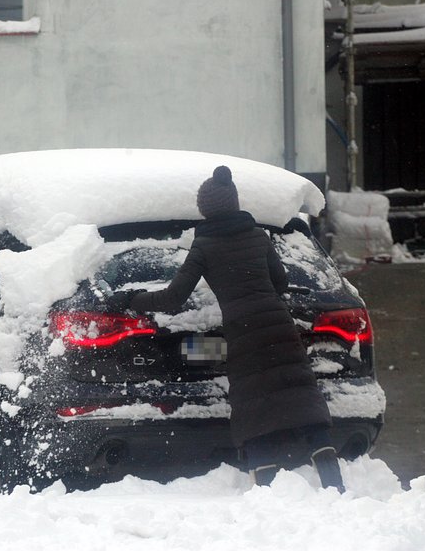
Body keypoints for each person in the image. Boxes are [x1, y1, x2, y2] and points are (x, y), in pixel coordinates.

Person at [107, 165, 345, 492]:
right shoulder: (257, 235)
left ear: (206, 210)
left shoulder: (205, 246)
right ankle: (336, 485)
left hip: (243, 333)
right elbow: (281, 282)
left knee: (254, 408)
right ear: (233, 203)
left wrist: (131, 298)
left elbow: (174, 298)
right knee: (301, 396)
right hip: (279, 325)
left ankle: (267, 490)